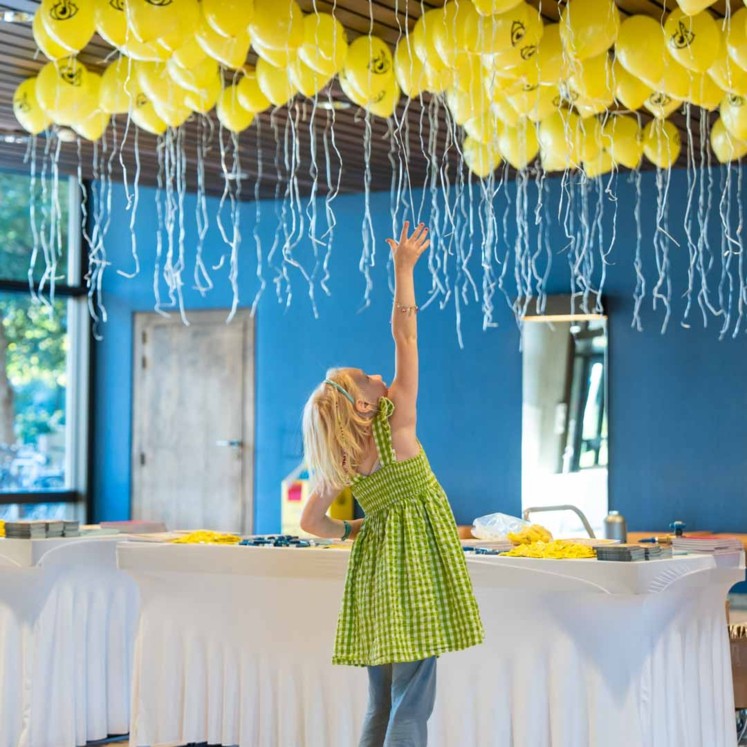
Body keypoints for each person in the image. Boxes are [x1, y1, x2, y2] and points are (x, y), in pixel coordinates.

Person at [300, 221, 484, 747]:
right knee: (412, 701)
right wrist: (404, 269)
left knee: (381, 700)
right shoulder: (396, 422)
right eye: (370, 378)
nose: (382, 376)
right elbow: (406, 334)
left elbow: (312, 522)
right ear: (364, 403)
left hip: (376, 577)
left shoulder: (341, 457)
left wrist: (357, 528)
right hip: (415, 574)